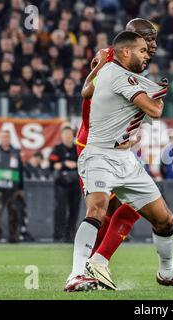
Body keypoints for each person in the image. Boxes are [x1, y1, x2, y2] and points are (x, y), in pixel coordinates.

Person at [67, 31, 173, 292]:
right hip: (98, 152)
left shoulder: (108, 67)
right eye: (144, 47)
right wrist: (159, 93)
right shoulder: (120, 75)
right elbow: (155, 110)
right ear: (126, 50)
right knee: (97, 209)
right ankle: (77, 273)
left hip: (125, 158)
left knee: (164, 220)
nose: (149, 51)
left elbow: (85, 91)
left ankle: (166, 273)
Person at [65, 19, 163, 292]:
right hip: (94, 144)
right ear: (133, 38)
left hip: (118, 145)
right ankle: (85, 267)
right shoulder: (110, 56)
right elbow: (87, 92)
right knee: (98, 208)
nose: (153, 45)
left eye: (154, 40)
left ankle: (97, 261)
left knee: (131, 206)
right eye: (148, 39)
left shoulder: (132, 60)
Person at [0, 130, 23, 243]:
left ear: (10, 138)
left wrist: (21, 188)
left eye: (7, 137)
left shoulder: (15, 152)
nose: (5, 139)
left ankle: (13, 236)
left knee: (14, 213)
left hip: (13, 188)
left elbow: (20, 171)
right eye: (3, 137)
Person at [49, 125, 81, 242]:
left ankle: (70, 235)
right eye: (65, 135)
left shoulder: (77, 148)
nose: (68, 137)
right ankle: (58, 235)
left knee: (74, 210)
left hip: (75, 184)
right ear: (62, 136)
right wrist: (64, 163)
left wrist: (75, 164)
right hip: (61, 184)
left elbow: (84, 163)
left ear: (73, 136)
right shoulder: (57, 149)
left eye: (69, 135)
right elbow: (54, 165)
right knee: (60, 210)